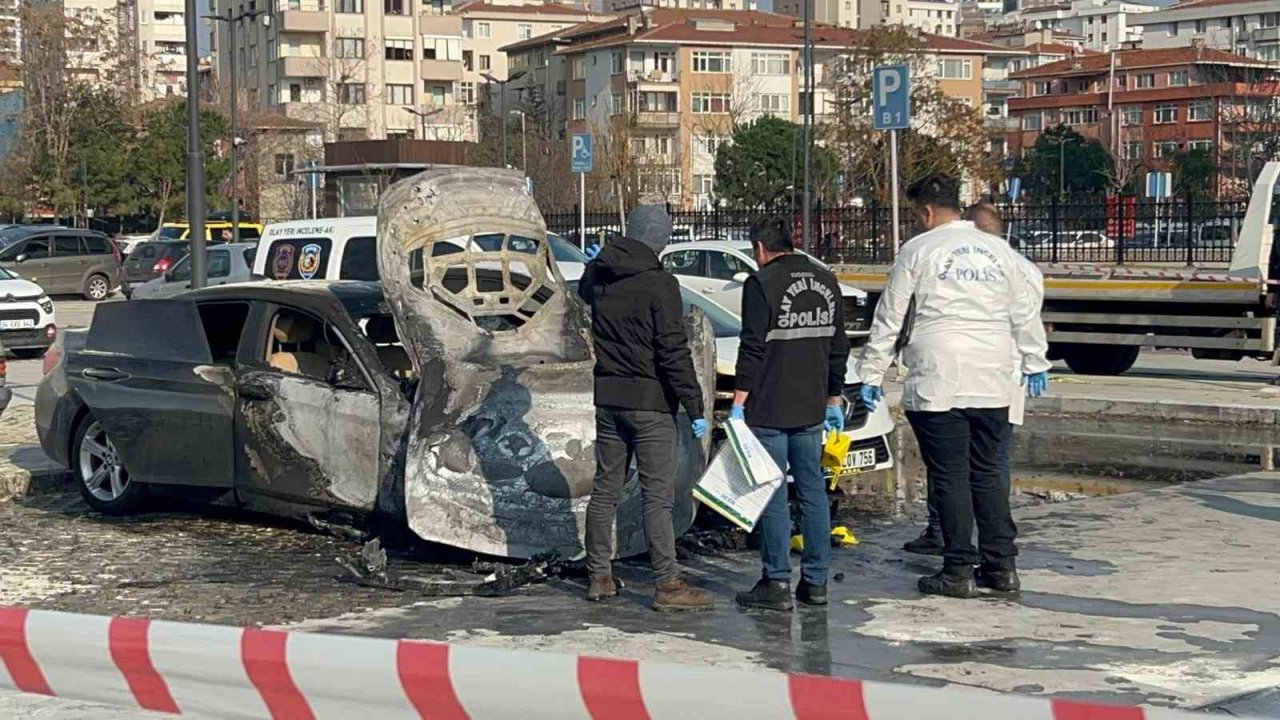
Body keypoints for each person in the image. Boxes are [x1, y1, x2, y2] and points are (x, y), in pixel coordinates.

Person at [858, 175, 1050, 599]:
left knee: (949, 477)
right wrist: (1036, 360)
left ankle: (957, 569)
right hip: (993, 375)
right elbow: (1024, 310)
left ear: (926, 211)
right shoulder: (999, 250)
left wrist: (871, 373)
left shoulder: (918, 249)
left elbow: (890, 316)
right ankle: (1002, 566)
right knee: (986, 474)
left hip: (939, 372)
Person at [576, 202, 714, 612]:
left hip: (609, 398)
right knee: (658, 497)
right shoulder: (659, 284)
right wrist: (695, 405)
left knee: (605, 489)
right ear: (660, 239)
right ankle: (668, 585)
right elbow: (672, 351)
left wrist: (591, 265)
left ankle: (599, 576)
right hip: (651, 404)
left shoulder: (600, 274)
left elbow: (584, 293)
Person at [901, 200, 1047, 556]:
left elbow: (902, 316)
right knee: (989, 466)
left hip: (957, 373)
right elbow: (1028, 317)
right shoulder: (1024, 267)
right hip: (1002, 377)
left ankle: (952, 547)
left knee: (950, 468)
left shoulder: (953, 257)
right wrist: (1035, 360)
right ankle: (998, 558)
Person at [732, 216, 850, 612]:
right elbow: (838, 347)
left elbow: (752, 349)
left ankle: (776, 581)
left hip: (769, 404)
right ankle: (816, 582)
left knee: (774, 493)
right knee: (813, 491)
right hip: (812, 404)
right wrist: (833, 397)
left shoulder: (760, 285)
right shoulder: (826, 281)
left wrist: (737, 403)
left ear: (761, 250)